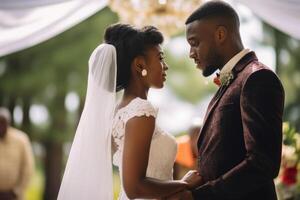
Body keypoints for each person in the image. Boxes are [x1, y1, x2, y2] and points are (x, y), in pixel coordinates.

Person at [58, 24, 201, 200]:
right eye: (160, 58)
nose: (166, 66)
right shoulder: (141, 111)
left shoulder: (121, 109)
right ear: (140, 65)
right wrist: (184, 184)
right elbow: (136, 187)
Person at [184, 1, 285, 200]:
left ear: (220, 34)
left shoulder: (257, 78)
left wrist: (198, 197)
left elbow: (262, 163)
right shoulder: (234, 80)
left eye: (195, 43)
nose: (190, 53)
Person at [0, 107, 34, 200]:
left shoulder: (21, 140)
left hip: (14, 197)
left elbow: (28, 168)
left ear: (8, 123)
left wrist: (16, 191)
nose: (0, 126)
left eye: (3, 122)